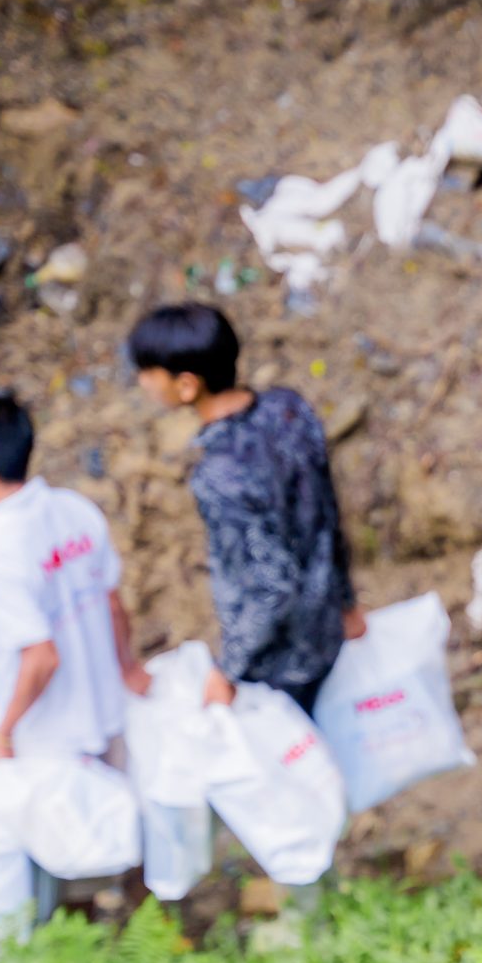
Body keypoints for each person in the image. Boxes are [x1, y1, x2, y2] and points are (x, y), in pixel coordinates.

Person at [124, 303, 361, 713]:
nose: (142, 382)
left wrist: (227, 670)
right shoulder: (288, 409)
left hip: (282, 658)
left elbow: (271, 587)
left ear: (186, 386)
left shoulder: (218, 475)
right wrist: (347, 601)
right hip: (326, 621)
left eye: (148, 371)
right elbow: (326, 510)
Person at [0, 393, 145, 764]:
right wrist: (128, 667)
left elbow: (41, 658)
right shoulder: (75, 509)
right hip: (109, 711)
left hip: (53, 741)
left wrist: (2, 733)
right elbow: (113, 604)